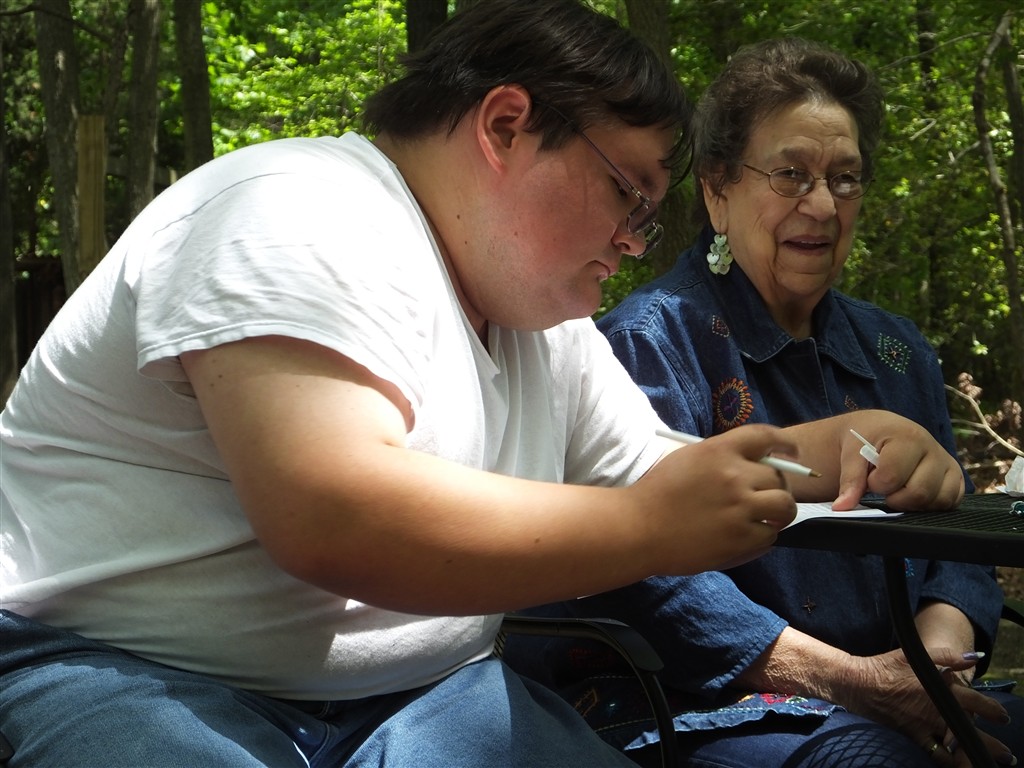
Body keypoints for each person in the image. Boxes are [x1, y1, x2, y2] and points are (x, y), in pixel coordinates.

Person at [0, 7, 988, 765]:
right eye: (627, 194)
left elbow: (662, 470)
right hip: (124, 671)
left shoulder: (538, 325)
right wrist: (649, 528)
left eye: (648, 214)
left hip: (425, 700)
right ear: (507, 125)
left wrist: (839, 452)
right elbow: (334, 516)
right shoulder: (293, 212)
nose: (634, 242)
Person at [505, 37, 1023, 768]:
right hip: (700, 702)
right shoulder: (650, 341)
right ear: (717, 192)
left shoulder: (897, 351)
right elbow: (646, 571)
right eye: (791, 175)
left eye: (845, 178)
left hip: (905, 691)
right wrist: (858, 682)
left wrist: (936, 669)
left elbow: (957, 538)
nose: (823, 204)